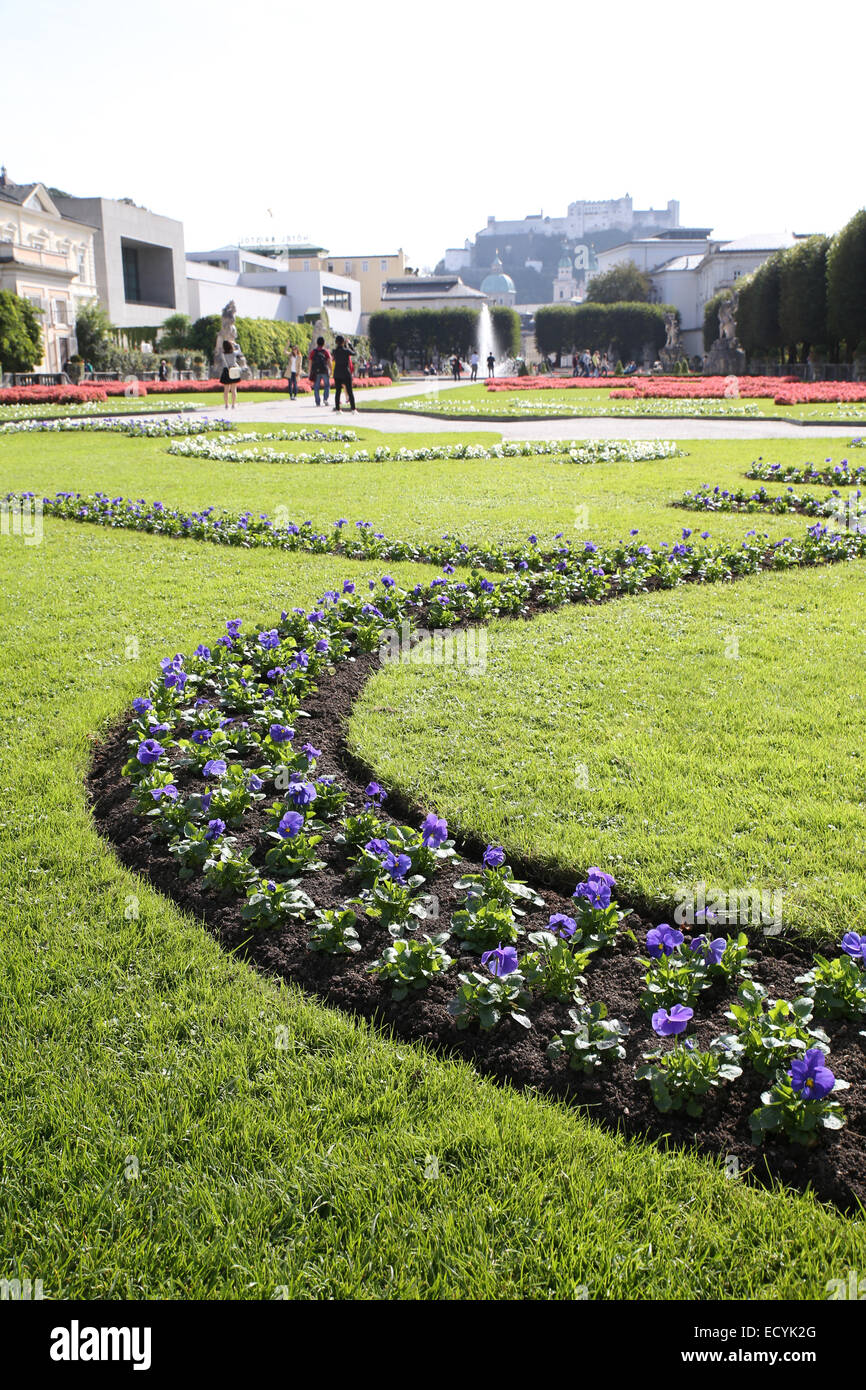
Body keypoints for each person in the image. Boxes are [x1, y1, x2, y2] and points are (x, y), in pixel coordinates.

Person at [332, 334, 356, 412]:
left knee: (338, 392)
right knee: (350, 391)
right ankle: (353, 408)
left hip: (337, 373)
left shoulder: (334, 351)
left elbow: (338, 350)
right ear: (343, 342)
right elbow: (354, 353)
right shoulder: (346, 351)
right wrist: (349, 344)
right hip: (345, 372)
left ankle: (338, 409)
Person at [309, 336, 332, 406]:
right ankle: (325, 399)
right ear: (323, 343)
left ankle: (317, 401)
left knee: (316, 387)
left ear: (317, 343)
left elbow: (310, 361)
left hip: (316, 371)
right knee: (327, 385)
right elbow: (329, 361)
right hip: (324, 370)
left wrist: (310, 370)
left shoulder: (313, 351)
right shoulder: (325, 351)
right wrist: (331, 369)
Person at [218, 338, 241, 409]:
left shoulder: (223, 354)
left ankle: (226, 404)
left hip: (226, 370)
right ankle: (233, 404)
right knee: (234, 390)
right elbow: (239, 350)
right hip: (233, 370)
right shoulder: (233, 353)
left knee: (226, 390)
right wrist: (235, 344)